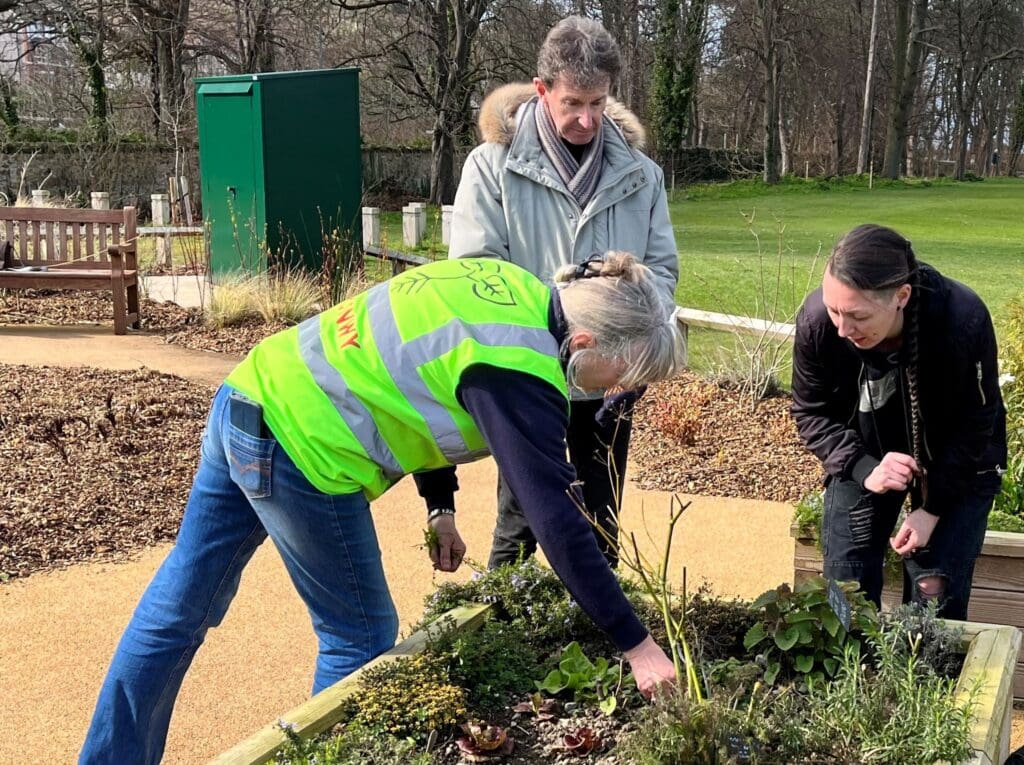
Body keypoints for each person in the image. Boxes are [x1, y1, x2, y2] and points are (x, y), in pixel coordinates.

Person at [79, 253, 684, 764]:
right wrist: (635, 643)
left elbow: (407, 371)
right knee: (359, 637)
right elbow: (554, 519)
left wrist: (439, 504)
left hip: (251, 392)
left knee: (177, 608)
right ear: (584, 340)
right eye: (622, 372)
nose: (615, 390)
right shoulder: (520, 370)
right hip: (303, 449)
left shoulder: (505, 283)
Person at [448, 15, 679, 570]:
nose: (586, 118)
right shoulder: (491, 166)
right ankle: (501, 631)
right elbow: (475, 277)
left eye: (598, 103)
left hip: (614, 381)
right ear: (542, 88)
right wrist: (560, 318)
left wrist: (631, 333)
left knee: (602, 520)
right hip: (531, 374)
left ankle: (602, 645)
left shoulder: (642, 176)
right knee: (523, 517)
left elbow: (664, 273)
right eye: (573, 102)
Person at [791, 223, 1006, 619]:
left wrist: (932, 506)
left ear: (901, 296)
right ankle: (850, 674)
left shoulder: (962, 320)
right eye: (834, 308)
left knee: (934, 591)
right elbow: (811, 411)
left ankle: (926, 678)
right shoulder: (818, 323)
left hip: (959, 458)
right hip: (865, 449)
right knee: (845, 585)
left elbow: (977, 422)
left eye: (856, 315)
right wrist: (864, 468)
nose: (842, 328)